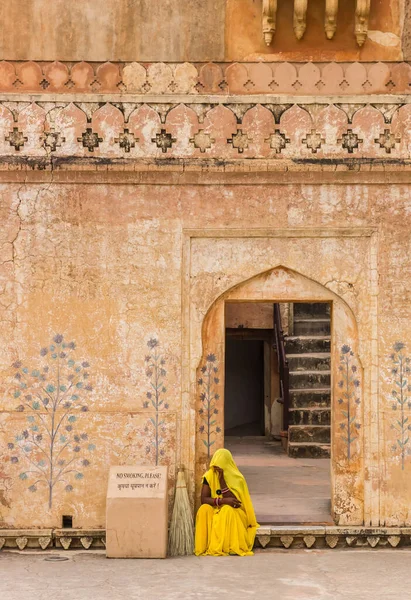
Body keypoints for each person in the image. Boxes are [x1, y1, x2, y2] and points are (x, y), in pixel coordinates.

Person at [194, 448, 259, 556]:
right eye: (215, 465)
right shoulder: (209, 475)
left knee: (226, 510)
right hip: (216, 508)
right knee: (203, 509)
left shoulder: (238, 478)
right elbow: (204, 499)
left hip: (235, 512)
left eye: (220, 464)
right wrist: (222, 500)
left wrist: (222, 481)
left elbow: (235, 503)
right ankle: (204, 546)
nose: (217, 468)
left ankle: (226, 546)